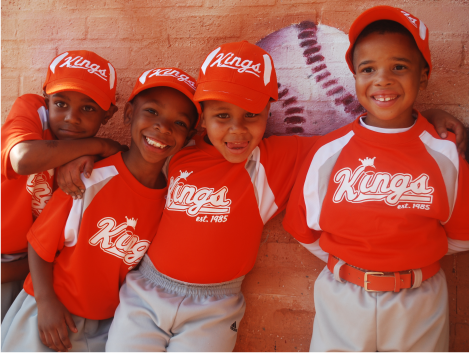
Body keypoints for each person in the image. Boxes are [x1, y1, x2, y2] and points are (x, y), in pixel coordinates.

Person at [104, 41, 467, 352]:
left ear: (269, 113)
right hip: (146, 289)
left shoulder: (278, 157)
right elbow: (128, 159)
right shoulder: (177, 150)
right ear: (201, 116)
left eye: (251, 115)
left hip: (215, 304)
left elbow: (362, 140)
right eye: (221, 116)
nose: (237, 130)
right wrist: (89, 150)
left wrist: (422, 117)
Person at [283, 6, 469, 352]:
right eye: (368, 69)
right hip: (342, 296)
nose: (382, 79)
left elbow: (461, 236)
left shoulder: (443, 154)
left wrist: (410, 262)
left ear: (424, 76)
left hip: (420, 298)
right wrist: (352, 266)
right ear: (354, 77)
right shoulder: (329, 152)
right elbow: (305, 231)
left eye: (399, 66)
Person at [1, 67, 200, 352]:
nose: (163, 128)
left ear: (191, 134)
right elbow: (40, 242)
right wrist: (45, 303)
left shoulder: (174, 197)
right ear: (128, 113)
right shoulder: (90, 178)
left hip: (105, 325)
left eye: (179, 123)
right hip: (48, 311)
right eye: (152, 112)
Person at [0, 50, 126, 322]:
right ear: (46, 100)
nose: (71, 117)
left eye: (88, 108)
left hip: (28, 265)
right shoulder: (32, 110)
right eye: (60, 104)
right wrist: (98, 145)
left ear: (109, 114)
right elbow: (22, 160)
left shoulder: (98, 166)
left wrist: (90, 154)